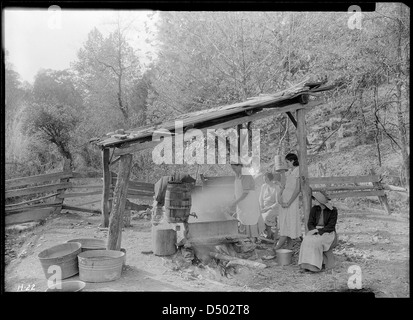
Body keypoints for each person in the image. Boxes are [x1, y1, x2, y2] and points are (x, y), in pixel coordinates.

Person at [298, 191, 338, 272]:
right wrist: (314, 230)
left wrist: (318, 231)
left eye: (316, 200)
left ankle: (315, 266)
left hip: (328, 233)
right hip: (315, 231)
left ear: (320, 201)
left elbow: (331, 226)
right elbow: (310, 223)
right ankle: (305, 265)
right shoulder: (314, 209)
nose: (314, 201)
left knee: (317, 242)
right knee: (306, 240)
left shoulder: (333, 210)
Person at [272, 153, 302, 253]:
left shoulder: (298, 171)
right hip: (284, 201)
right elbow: (284, 185)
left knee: (289, 224)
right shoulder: (289, 172)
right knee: (285, 223)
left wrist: (289, 202)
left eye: (287, 162)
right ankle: (289, 250)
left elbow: (297, 189)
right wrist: (280, 195)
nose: (287, 164)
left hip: (292, 201)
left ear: (293, 161)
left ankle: (276, 249)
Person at [229, 160, 265, 241]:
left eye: (234, 168)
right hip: (242, 203)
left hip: (249, 201)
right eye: (232, 168)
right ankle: (246, 240)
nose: (233, 170)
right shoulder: (237, 175)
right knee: (243, 219)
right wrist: (234, 198)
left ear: (240, 166)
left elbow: (245, 192)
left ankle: (253, 240)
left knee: (250, 220)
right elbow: (237, 190)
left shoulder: (246, 175)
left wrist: (235, 202)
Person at [259, 172, 282, 239]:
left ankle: (269, 235)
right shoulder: (263, 186)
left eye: (266, 179)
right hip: (264, 207)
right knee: (257, 215)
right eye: (264, 179)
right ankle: (267, 234)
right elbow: (260, 198)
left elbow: (277, 202)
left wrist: (267, 208)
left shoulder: (276, 187)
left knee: (266, 216)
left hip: (274, 207)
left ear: (270, 179)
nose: (264, 180)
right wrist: (261, 206)